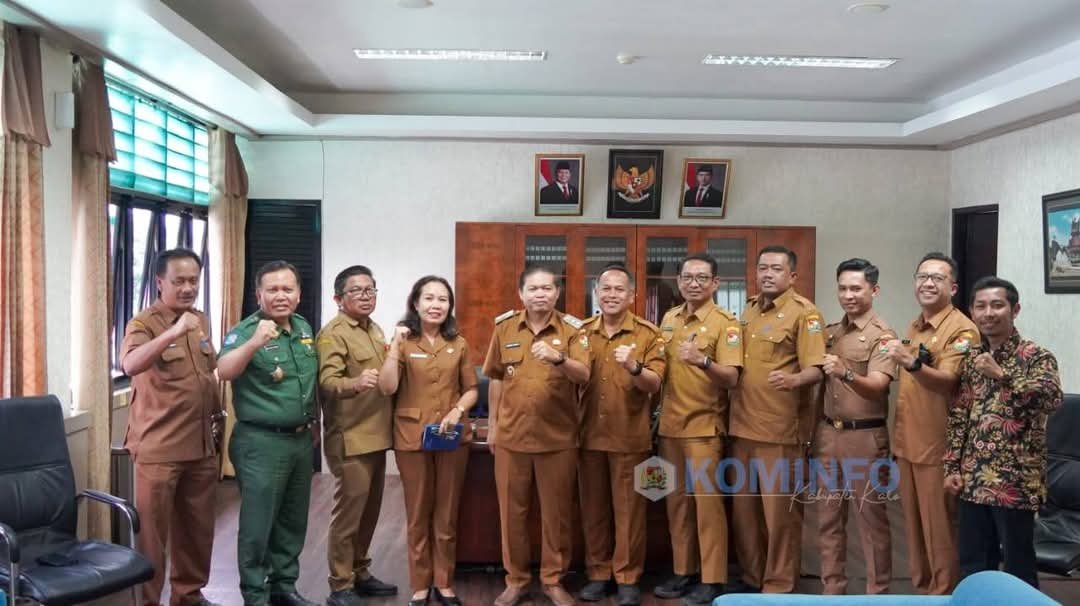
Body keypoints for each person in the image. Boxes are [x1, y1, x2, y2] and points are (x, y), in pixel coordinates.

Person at [482, 266, 591, 606]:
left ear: (557, 293)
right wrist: (493, 425)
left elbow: (584, 375)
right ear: (521, 294)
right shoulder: (504, 328)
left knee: (556, 516)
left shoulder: (573, 330)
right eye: (533, 288)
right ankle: (515, 580)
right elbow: (496, 377)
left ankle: (553, 580)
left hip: (557, 439)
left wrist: (559, 359)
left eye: (547, 288)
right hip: (511, 437)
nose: (540, 294)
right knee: (511, 515)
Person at [120, 248, 223, 606]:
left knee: (197, 531)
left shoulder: (200, 320)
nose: (188, 288)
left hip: (200, 445)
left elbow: (210, 369)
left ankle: (188, 596)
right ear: (159, 282)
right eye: (179, 281)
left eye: (194, 280)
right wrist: (172, 333)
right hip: (159, 449)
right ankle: (149, 601)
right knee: (152, 537)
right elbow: (131, 364)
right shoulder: (143, 323)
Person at [945, 276, 1062, 587]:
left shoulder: (1035, 356)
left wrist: (1002, 375)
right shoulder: (972, 358)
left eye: (997, 305)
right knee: (973, 565)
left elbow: (1051, 399)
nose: (988, 313)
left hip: (1016, 481)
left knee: (1018, 568)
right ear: (972, 312)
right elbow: (960, 414)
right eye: (981, 306)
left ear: (1015, 309)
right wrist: (952, 466)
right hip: (973, 477)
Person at [217, 261, 319, 606]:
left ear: (298, 294)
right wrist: (254, 344)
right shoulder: (246, 331)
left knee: (292, 520)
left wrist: (315, 423)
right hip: (261, 442)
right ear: (258, 294)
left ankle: (283, 586)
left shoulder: (303, 328)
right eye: (272, 290)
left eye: (287, 289)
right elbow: (224, 370)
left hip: (300, 440)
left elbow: (308, 382)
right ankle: (255, 594)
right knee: (258, 524)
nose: (280, 296)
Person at [729, 245, 826, 594]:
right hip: (741, 427)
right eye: (763, 268)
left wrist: (794, 380)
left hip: (780, 432)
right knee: (745, 513)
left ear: (792, 276)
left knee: (780, 515)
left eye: (776, 269)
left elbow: (817, 369)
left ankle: (779, 584)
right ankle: (752, 577)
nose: (767, 274)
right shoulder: (750, 309)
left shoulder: (805, 314)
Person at [377, 276, 478, 606]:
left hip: (451, 437)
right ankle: (421, 584)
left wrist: (457, 410)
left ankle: (444, 582)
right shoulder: (403, 342)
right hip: (412, 437)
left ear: (450, 306)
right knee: (418, 513)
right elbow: (387, 387)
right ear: (416, 303)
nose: (436, 305)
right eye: (429, 298)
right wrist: (395, 345)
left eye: (443, 299)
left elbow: (471, 389)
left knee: (447, 513)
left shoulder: (458, 343)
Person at [883, 252, 979, 595]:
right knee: (914, 529)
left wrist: (910, 363)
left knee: (940, 532)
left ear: (952, 288)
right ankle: (923, 593)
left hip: (938, 448)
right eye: (922, 277)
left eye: (937, 278)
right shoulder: (916, 325)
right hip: (908, 443)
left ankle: (945, 596)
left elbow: (949, 382)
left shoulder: (963, 329)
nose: (927, 283)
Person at [651, 254, 742, 606]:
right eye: (687, 277)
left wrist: (703, 361)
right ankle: (683, 570)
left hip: (704, 428)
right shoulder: (669, 318)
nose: (693, 283)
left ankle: (713, 578)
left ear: (715, 283)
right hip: (670, 427)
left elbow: (731, 378)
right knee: (676, 505)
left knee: (707, 508)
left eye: (702, 278)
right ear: (678, 281)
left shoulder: (726, 324)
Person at [577, 264, 666, 606]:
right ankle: (598, 574)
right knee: (593, 510)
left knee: (631, 513)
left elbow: (654, 384)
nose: (611, 295)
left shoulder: (648, 334)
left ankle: (628, 576)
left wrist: (634, 366)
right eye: (606, 288)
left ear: (632, 296)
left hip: (630, 438)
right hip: (588, 436)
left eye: (619, 289)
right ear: (596, 293)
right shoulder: (581, 332)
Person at [315, 265, 399, 606]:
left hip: (376, 434)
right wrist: (355, 383)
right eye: (357, 291)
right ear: (338, 299)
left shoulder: (373, 328)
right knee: (348, 516)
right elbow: (327, 382)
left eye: (370, 290)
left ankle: (360, 571)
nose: (366, 296)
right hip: (350, 437)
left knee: (369, 512)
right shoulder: (333, 334)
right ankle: (340, 584)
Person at [814, 258, 897, 595]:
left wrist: (845, 372)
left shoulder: (883, 336)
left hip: (865, 436)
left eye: (856, 288)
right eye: (843, 288)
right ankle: (832, 591)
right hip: (828, 434)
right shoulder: (831, 332)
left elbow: (878, 385)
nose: (848, 295)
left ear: (874, 290)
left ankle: (878, 595)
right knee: (828, 519)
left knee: (871, 521)